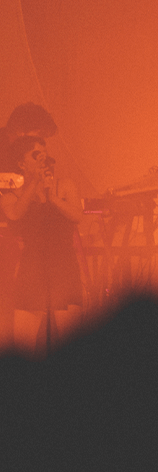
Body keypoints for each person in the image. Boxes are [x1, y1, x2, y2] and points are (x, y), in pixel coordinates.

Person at [2, 135, 84, 353]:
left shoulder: (64, 186)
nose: (42, 159)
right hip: (32, 269)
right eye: (36, 155)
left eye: (44, 154)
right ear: (21, 163)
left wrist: (53, 198)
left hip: (63, 266)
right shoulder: (12, 194)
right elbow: (15, 214)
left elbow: (77, 215)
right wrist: (35, 183)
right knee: (22, 346)